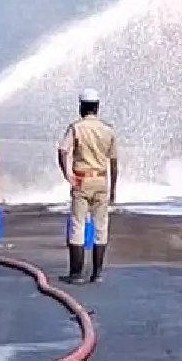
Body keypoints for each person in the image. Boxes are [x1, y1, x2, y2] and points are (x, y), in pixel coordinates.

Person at [56, 88, 118, 284]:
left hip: (82, 180)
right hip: (101, 180)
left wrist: (68, 175)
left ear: (82, 107)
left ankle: (76, 273)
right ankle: (97, 273)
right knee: (101, 226)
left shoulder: (76, 128)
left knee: (78, 225)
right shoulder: (108, 130)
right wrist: (113, 189)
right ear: (97, 107)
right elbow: (114, 162)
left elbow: (62, 151)